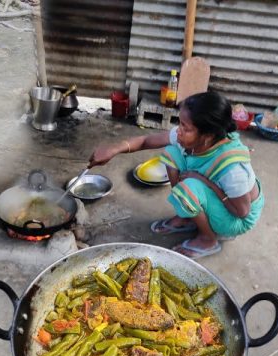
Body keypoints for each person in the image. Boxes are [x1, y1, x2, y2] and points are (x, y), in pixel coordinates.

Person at [88, 91, 264, 259]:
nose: (178, 130)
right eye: (180, 123)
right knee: (173, 152)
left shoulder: (233, 170)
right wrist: (113, 149)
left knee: (189, 188)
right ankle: (187, 216)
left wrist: (205, 182)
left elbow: (242, 212)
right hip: (221, 198)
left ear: (208, 136)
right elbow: (146, 141)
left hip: (236, 219)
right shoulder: (197, 136)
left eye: (185, 127)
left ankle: (208, 240)